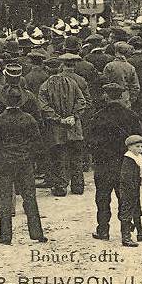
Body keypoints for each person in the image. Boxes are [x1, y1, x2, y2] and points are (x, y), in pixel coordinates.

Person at [0, 87, 46, 244]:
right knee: (29, 197)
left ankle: (6, 236)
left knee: (6, 199)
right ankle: (36, 233)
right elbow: (37, 143)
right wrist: (32, 159)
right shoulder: (28, 119)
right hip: (24, 163)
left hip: (4, 163)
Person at [87, 82, 142, 243]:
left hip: (104, 164)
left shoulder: (98, 116)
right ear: (121, 95)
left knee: (103, 198)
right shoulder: (131, 115)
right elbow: (140, 138)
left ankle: (103, 230)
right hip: (125, 163)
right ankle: (127, 233)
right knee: (127, 198)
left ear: (106, 96)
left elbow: (90, 142)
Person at [38, 54, 88, 196]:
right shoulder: (72, 82)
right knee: (76, 158)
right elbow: (82, 101)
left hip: (56, 130)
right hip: (74, 128)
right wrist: (74, 116)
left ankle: (60, 187)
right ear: (60, 68)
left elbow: (44, 108)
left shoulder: (44, 87)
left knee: (58, 159)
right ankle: (78, 187)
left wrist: (59, 119)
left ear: (47, 69)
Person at [117, 135, 142, 247]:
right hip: (128, 189)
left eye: (141, 146)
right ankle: (126, 237)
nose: (140, 149)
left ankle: (140, 232)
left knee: (137, 210)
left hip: (135, 188)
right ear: (129, 147)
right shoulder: (129, 159)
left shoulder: (138, 157)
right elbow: (126, 178)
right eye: (137, 146)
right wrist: (131, 188)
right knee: (127, 212)